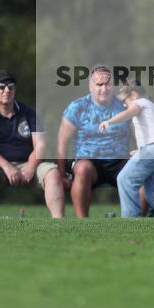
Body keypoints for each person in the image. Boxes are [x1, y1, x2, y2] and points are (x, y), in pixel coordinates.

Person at [0, 69, 63, 219]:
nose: (6, 90)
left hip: (28, 164)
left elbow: (40, 146)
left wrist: (30, 168)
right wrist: (7, 167)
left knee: (52, 173)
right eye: (1, 86)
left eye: (11, 86)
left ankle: (59, 224)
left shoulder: (30, 113)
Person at [57, 64, 130, 218]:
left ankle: (137, 221)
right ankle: (83, 221)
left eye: (108, 84)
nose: (104, 89)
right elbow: (62, 143)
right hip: (88, 161)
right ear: (91, 87)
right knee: (83, 169)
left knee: (139, 172)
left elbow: (140, 132)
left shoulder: (125, 106)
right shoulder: (77, 108)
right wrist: (62, 174)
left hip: (119, 161)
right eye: (99, 85)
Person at [99, 81, 154, 218]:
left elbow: (130, 112)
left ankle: (130, 218)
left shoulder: (139, 102)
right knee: (153, 192)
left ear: (134, 94)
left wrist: (109, 121)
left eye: (125, 100)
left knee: (124, 179)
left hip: (153, 150)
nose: (124, 104)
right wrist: (143, 149)